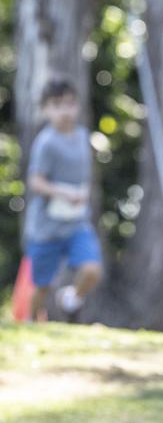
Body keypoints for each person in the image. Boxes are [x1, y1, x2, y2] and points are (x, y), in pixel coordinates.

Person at [24, 77, 103, 321]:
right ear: (46, 109)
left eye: (69, 104)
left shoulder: (82, 136)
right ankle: (29, 323)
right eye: (57, 105)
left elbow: (85, 176)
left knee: (92, 270)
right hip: (47, 228)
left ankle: (72, 297)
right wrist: (63, 193)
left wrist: (83, 193)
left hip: (77, 224)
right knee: (42, 286)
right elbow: (35, 181)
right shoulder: (46, 143)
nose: (65, 111)